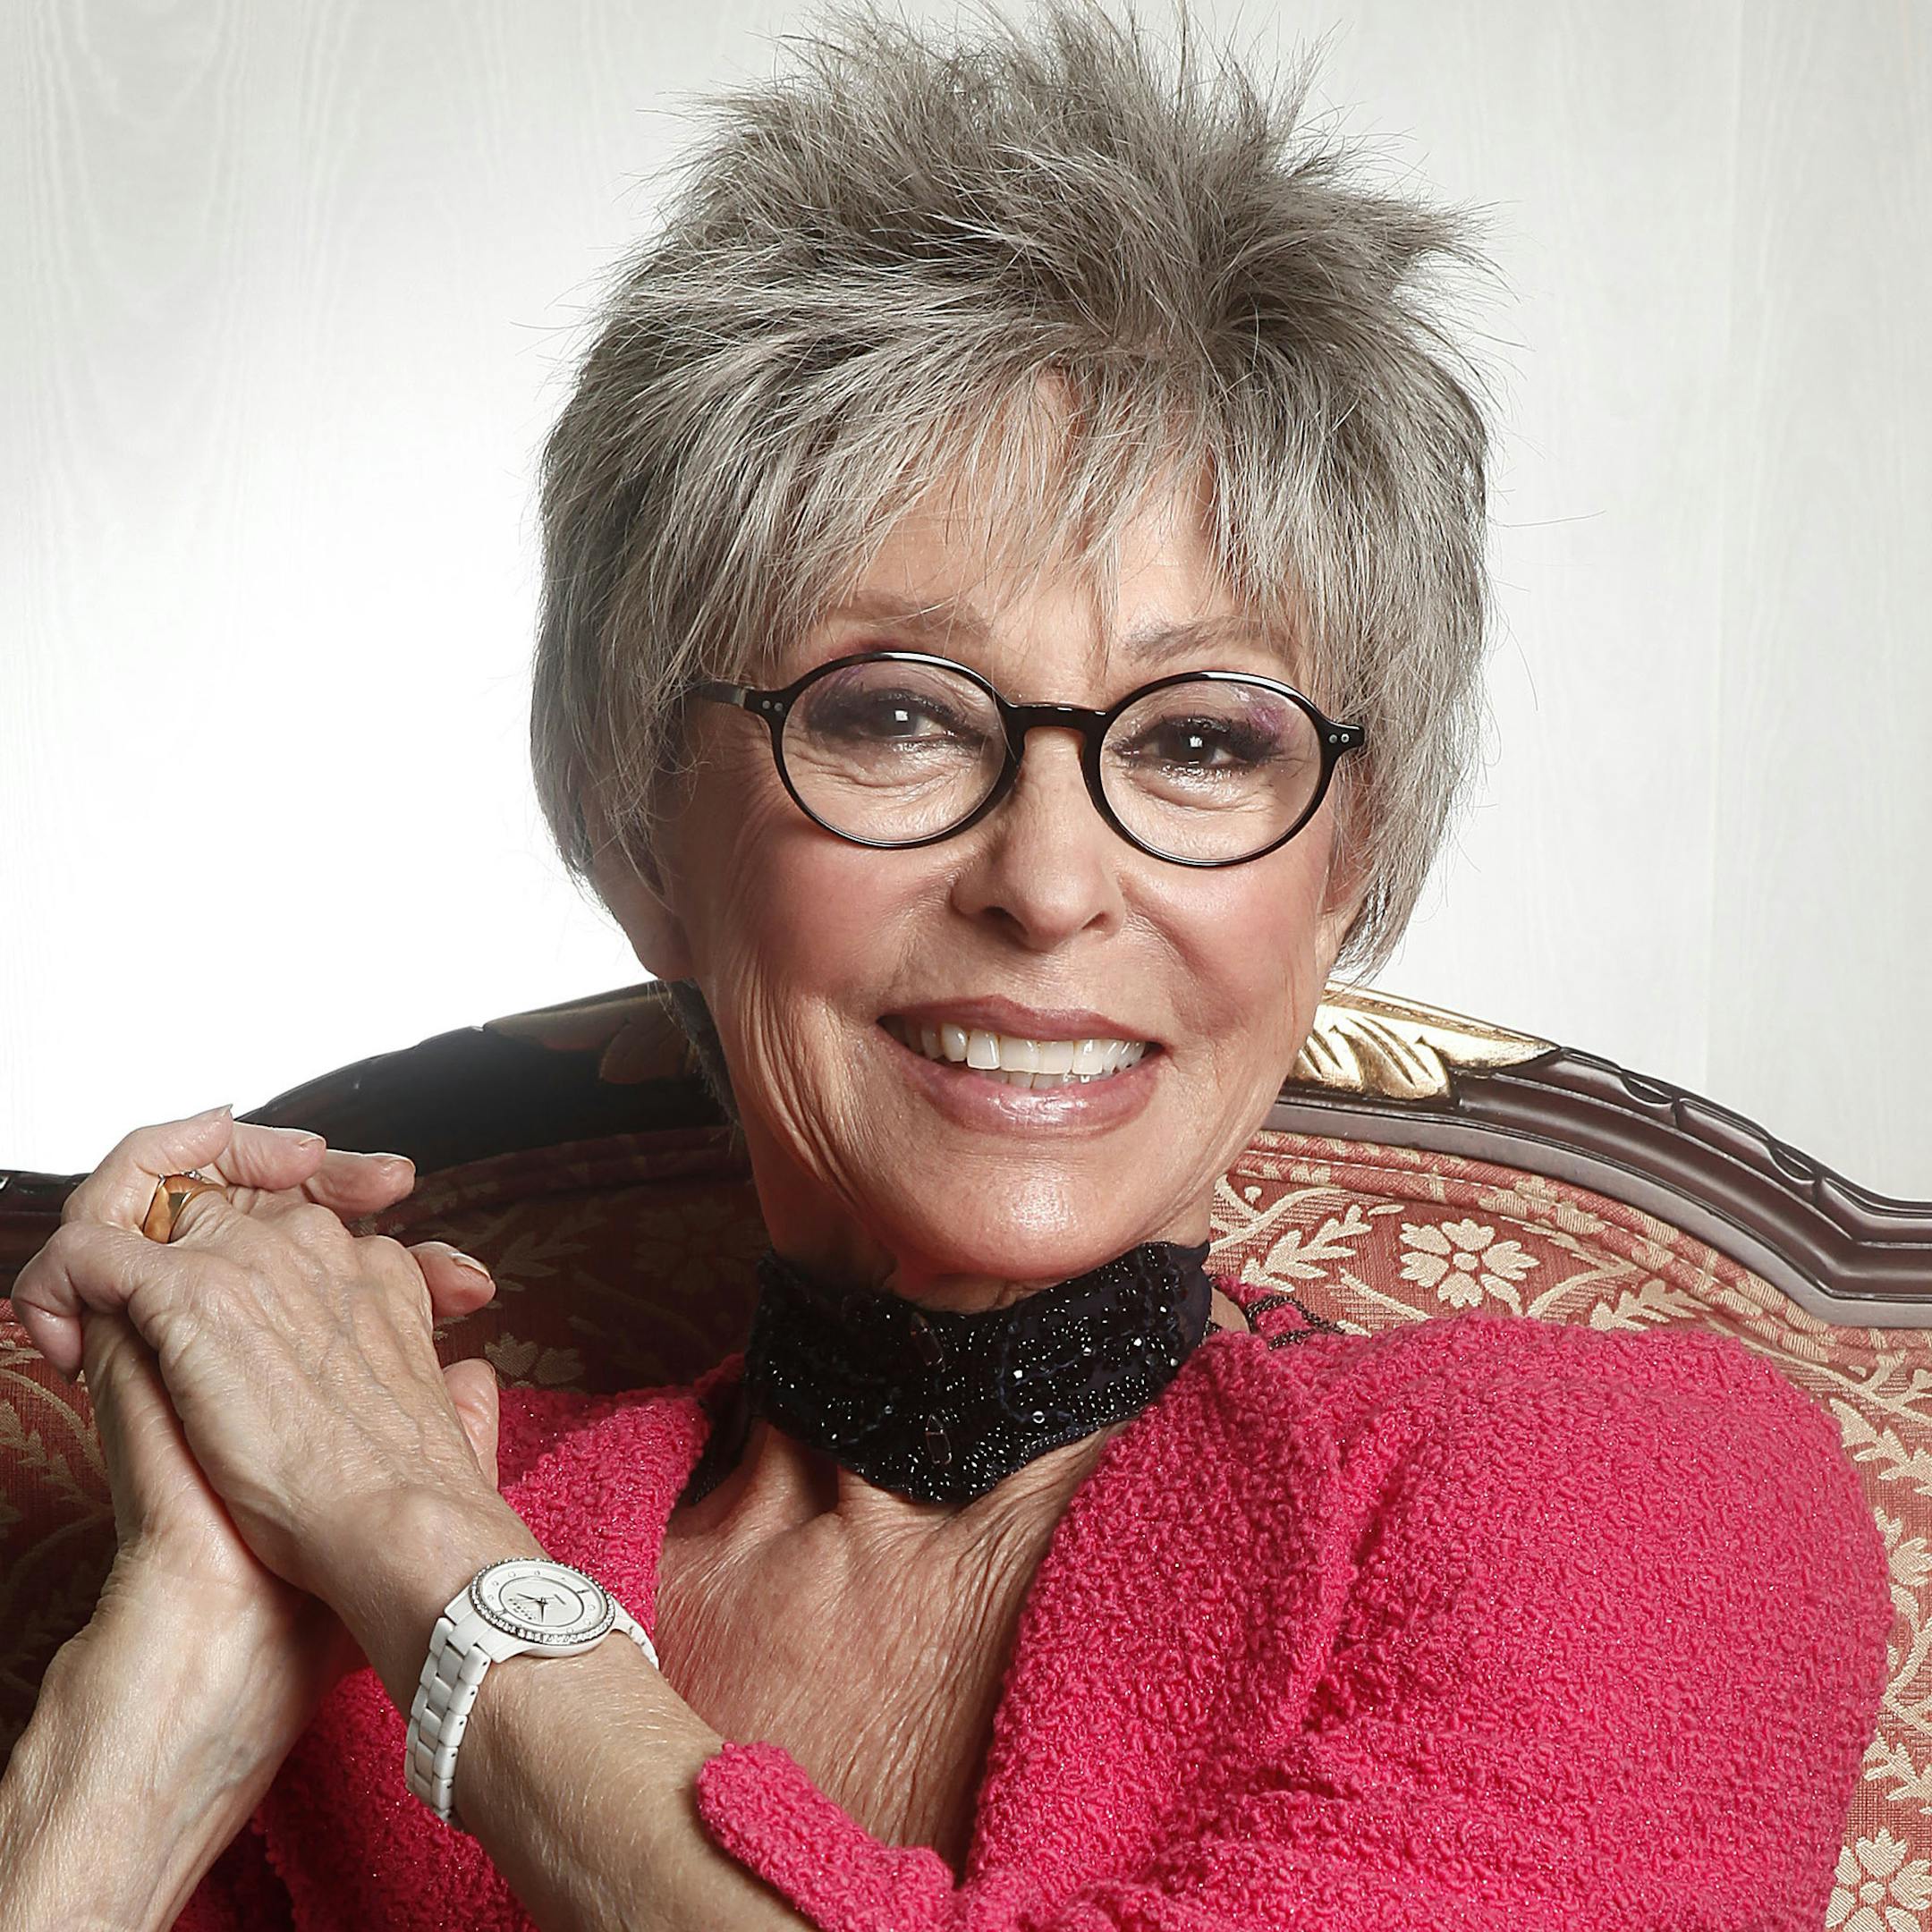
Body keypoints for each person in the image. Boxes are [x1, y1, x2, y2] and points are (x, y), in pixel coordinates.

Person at [0, 3, 1891, 1927]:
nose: (1054, 881)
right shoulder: (335, 1575)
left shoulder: (1642, 1503)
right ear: (642, 829)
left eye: (1204, 740)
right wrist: (159, 1691)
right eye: (898, 716)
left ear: (1343, 873)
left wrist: (422, 1553)